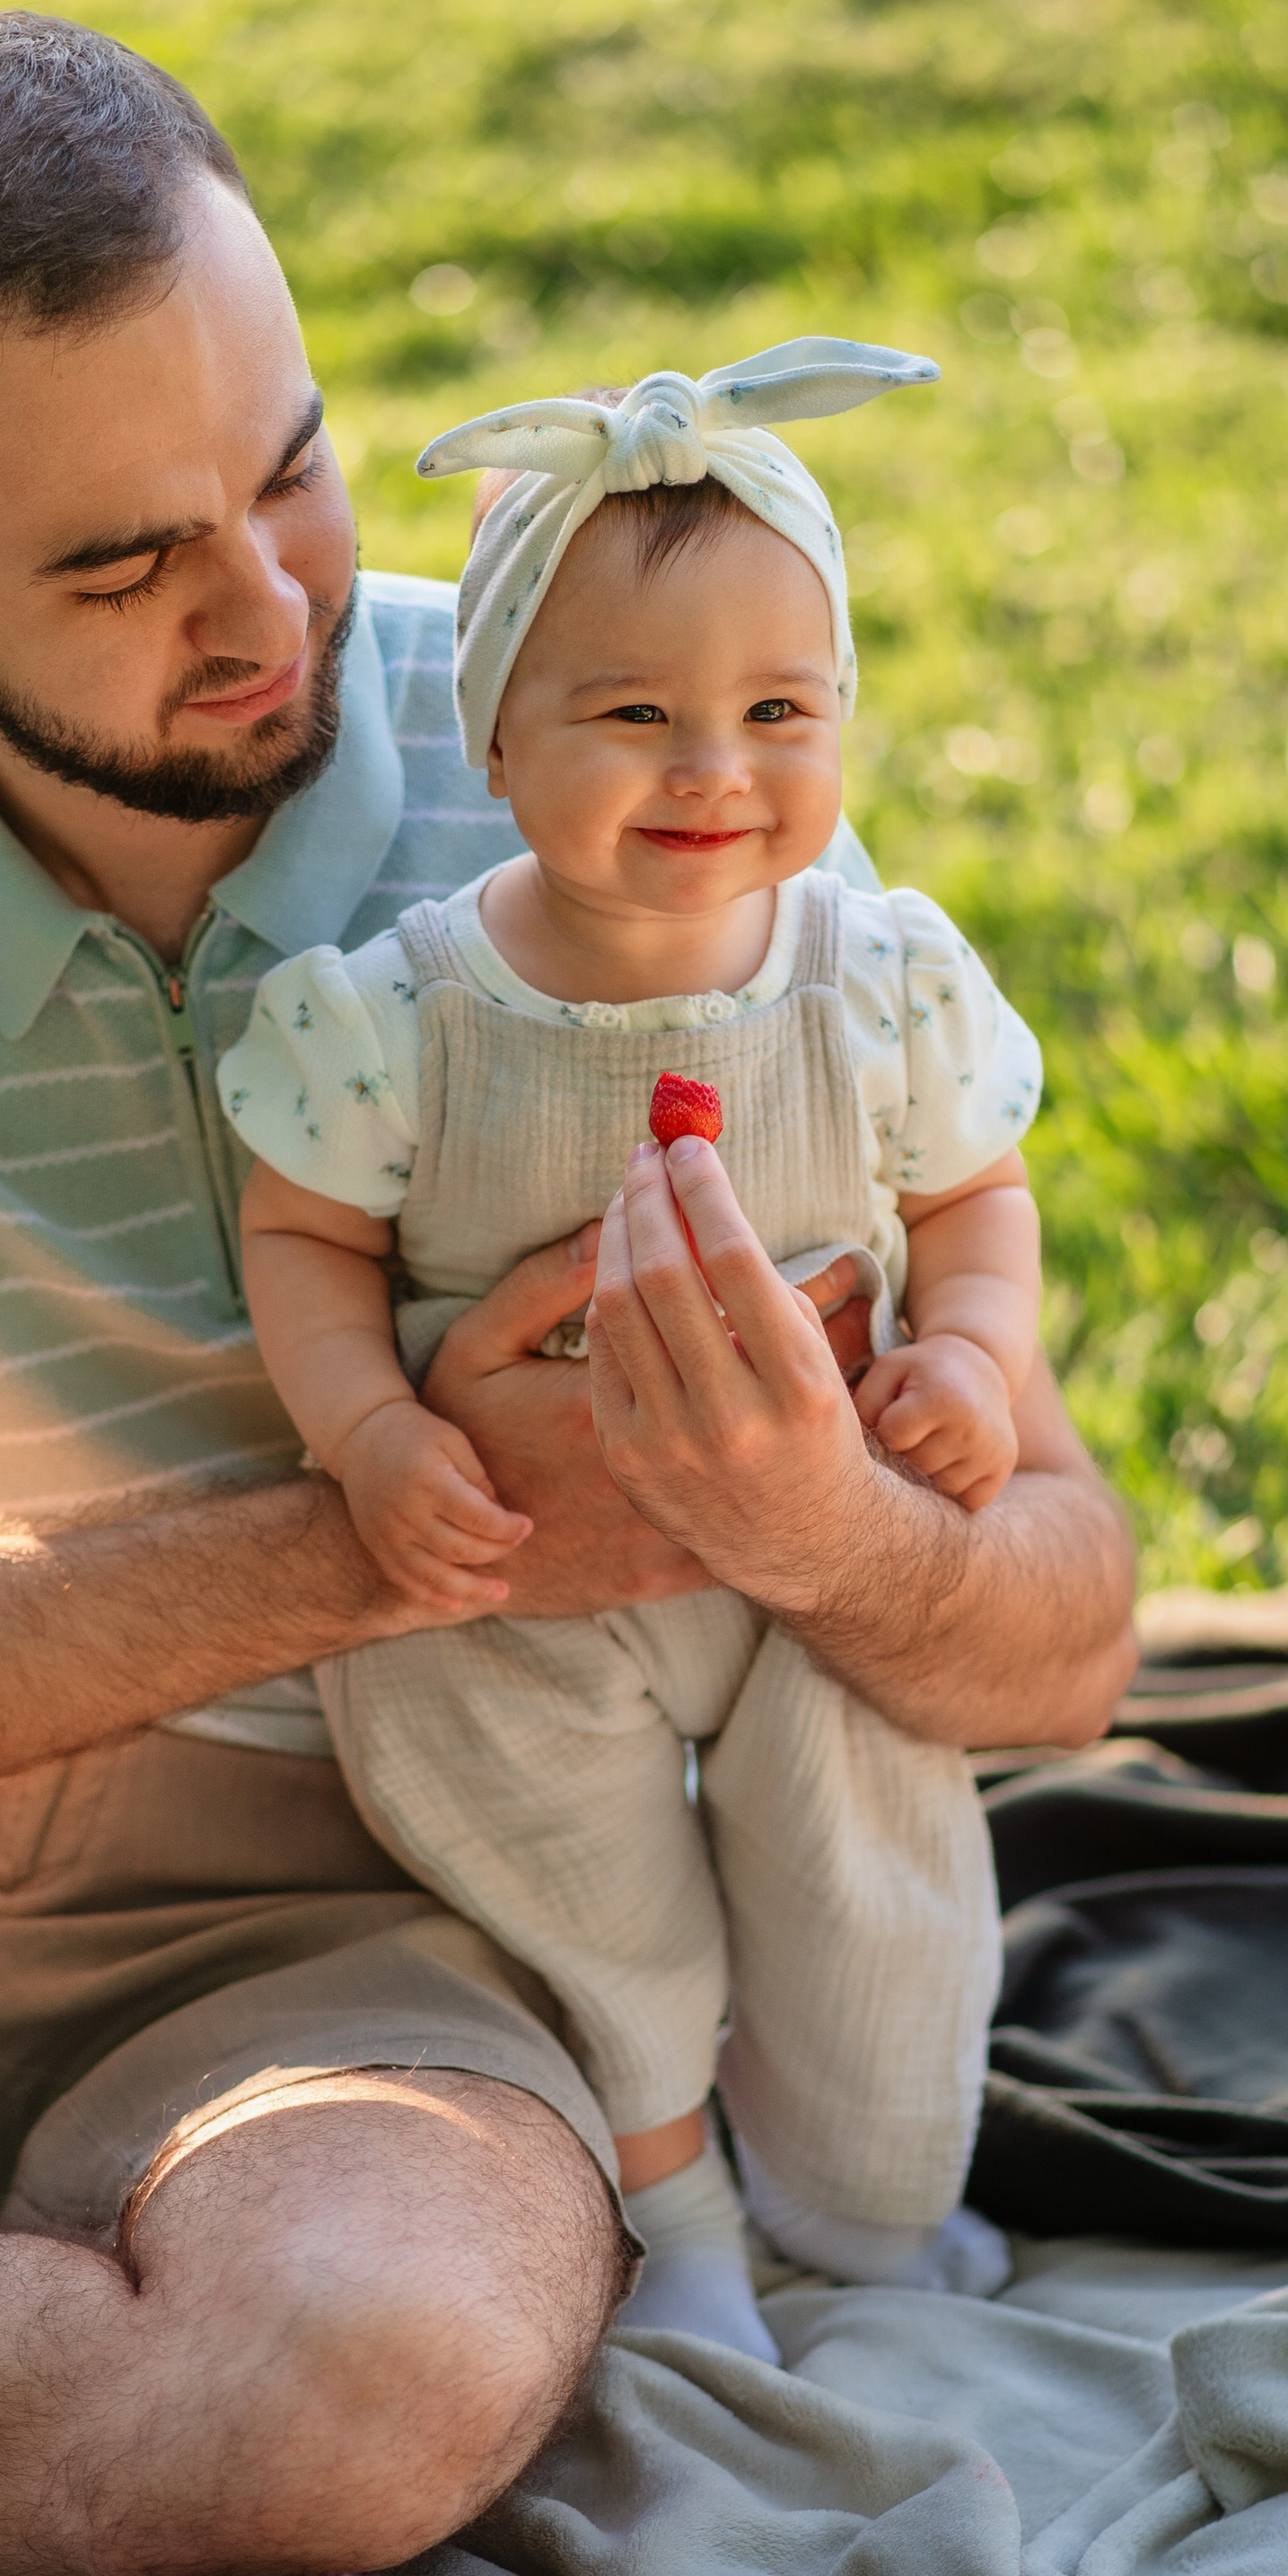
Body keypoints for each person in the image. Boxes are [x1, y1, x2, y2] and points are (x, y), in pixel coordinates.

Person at [0, 3, 1136, 2576]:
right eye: (124, 562)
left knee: (336, 2392)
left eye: (292, 471)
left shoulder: (596, 750)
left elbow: (1057, 1634)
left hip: (361, 1911)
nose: (268, 608)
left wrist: (823, 1519)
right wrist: (418, 1524)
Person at [223, 350, 1042, 2363]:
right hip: (511, 1581)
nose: (712, 771)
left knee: (870, 1882)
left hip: (813, 1536)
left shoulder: (874, 978)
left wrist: (972, 1357)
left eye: (779, 712)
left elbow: (972, 1202)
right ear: (494, 742)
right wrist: (364, 1432)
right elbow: (303, 1239)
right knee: (591, 1898)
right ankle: (670, 2205)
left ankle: (858, 2201)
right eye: (633, 715)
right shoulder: (404, 1014)